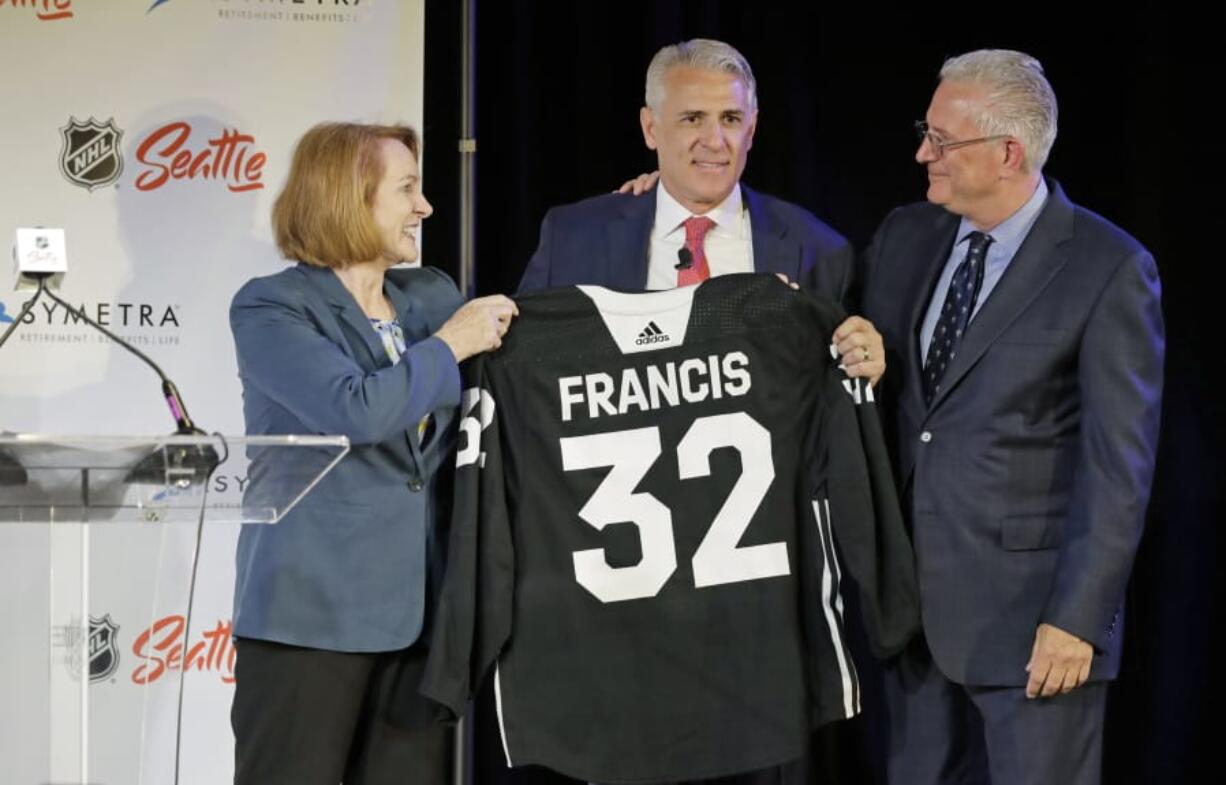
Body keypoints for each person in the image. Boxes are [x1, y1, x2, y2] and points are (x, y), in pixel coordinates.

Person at [859, 50, 1164, 785]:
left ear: (1008, 153)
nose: (921, 153)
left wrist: (1078, 620)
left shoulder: (1106, 266)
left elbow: (1117, 468)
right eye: (925, 132)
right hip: (917, 625)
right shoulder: (906, 235)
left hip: (1036, 630)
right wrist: (655, 200)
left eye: (942, 139)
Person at [227, 121, 517, 785]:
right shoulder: (272, 307)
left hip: (417, 623)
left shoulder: (433, 296)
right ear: (350, 197)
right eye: (408, 188)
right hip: (308, 622)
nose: (425, 207)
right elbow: (355, 410)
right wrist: (448, 346)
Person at [519, 38, 883, 385]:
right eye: (692, 119)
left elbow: (843, 401)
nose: (714, 141)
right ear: (650, 128)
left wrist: (866, 366)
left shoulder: (820, 252)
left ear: (752, 129)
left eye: (730, 119)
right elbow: (522, 373)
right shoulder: (572, 238)